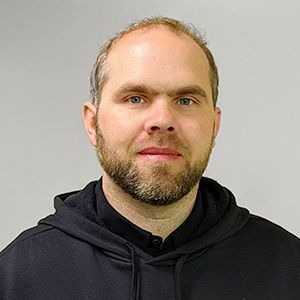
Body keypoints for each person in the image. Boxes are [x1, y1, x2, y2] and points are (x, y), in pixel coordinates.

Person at [0, 16, 299, 300]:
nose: (162, 120)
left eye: (185, 100)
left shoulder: (288, 267)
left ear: (214, 125)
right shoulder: (16, 277)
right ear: (93, 123)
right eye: (135, 98)